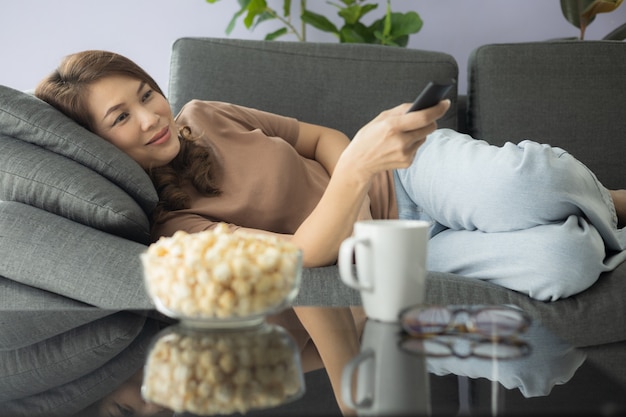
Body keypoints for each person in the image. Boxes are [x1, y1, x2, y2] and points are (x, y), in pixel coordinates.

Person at [35, 50, 626, 412]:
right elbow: (304, 257)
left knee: (530, 185)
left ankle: (611, 203)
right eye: (122, 117)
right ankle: (599, 220)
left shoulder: (205, 115)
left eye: (145, 94)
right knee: (563, 262)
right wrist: (361, 215)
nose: (151, 117)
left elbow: (320, 140)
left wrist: (362, 187)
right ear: (97, 146)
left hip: (406, 180)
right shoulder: (176, 232)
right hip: (390, 265)